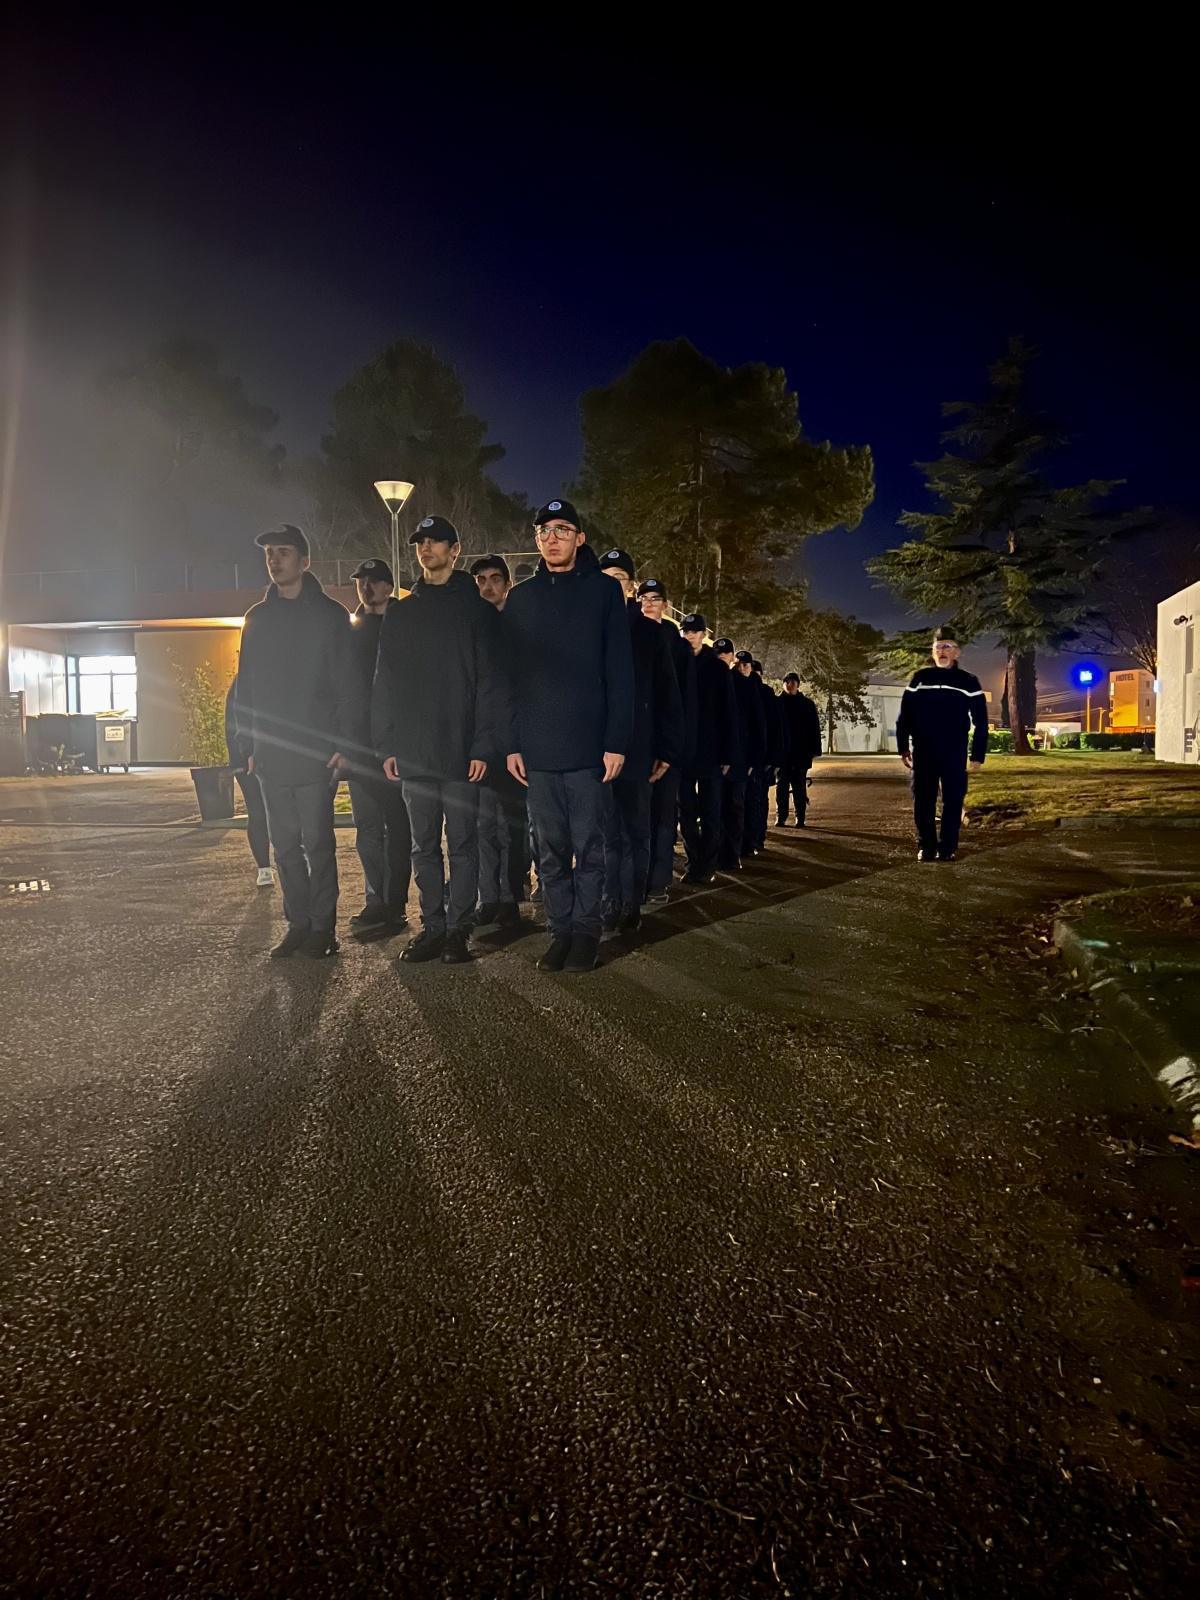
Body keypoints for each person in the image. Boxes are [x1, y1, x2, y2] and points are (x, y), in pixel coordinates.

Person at [503, 498, 634, 973]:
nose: (552, 537)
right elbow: (510, 678)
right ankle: (559, 932)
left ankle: (586, 933)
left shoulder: (603, 593)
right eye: (544, 530)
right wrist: (512, 742)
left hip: (588, 750)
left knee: (591, 848)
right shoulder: (521, 598)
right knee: (550, 852)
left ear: (580, 538)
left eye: (562, 528)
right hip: (537, 750)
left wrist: (617, 740)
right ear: (536, 540)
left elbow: (620, 672)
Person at [372, 516, 506, 964]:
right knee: (422, 846)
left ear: (455, 550)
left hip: (461, 751)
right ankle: (432, 927)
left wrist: (483, 746)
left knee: (464, 845)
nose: (425, 548)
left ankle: (459, 929)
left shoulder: (476, 611)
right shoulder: (403, 610)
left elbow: (490, 683)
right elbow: (385, 680)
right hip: (414, 750)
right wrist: (386, 745)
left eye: (435, 542)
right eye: (420, 542)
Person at [235, 523, 358, 958]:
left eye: (283, 551)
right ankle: (299, 924)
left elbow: (347, 685)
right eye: (269, 552)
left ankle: (323, 929)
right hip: (270, 756)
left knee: (319, 844)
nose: (274, 559)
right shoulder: (257, 619)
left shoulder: (330, 615)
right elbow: (245, 686)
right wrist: (246, 747)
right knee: (284, 846)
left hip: (316, 756)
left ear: (304, 561)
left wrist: (343, 744)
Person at [598, 549, 683, 933]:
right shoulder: (590, 627)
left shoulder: (651, 632)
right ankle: (608, 899)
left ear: (632, 586)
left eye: (621, 578)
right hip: (595, 749)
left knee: (635, 829)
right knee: (604, 832)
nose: (614, 584)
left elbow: (668, 693)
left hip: (638, 747)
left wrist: (666, 748)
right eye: (607, 577)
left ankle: (631, 901)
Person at [345, 557, 412, 938]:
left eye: (373, 581)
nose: (365, 587)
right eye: (361, 581)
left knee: (398, 827)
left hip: (394, 748)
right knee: (367, 827)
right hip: (358, 747)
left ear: (388, 586)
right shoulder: (352, 630)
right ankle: (375, 899)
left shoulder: (403, 626)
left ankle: (395, 904)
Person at [469, 554, 529, 929]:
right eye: (481, 580)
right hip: (477, 742)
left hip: (513, 743)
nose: (488, 586)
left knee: (511, 827)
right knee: (481, 825)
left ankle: (510, 896)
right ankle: (487, 896)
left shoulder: (519, 627)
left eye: (495, 578)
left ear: (507, 583)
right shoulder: (470, 626)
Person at [896, 627, 988, 862]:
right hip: (924, 750)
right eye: (938, 647)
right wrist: (903, 747)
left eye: (947, 646)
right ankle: (926, 846)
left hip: (953, 751)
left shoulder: (968, 681)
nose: (942, 651)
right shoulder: (920, 678)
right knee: (923, 800)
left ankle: (947, 848)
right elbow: (905, 714)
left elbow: (981, 721)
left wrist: (977, 754)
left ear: (957, 652)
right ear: (932, 652)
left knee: (953, 800)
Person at [637, 577, 696, 904]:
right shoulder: (628, 635)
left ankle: (657, 881)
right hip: (636, 745)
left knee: (662, 816)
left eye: (655, 598)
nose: (648, 603)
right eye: (643, 597)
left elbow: (683, 702)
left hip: (667, 747)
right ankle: (636, 880)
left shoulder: (677, 646)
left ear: (665, 604)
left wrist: (674, 749)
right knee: (636, 816)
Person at [677, 615, 741, 884]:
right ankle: (695, 862)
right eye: (686, 630)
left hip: (711, 750)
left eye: (695, 631)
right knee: (686, 813)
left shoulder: (717, 669)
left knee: (711, 810)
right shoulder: (676, 663)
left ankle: (708, 865)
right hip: (682, 750)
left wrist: (729, 754)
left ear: (704, 634)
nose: (690, 635)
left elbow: (729, 713)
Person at [714, 640, 765, 870]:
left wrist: (754, 760)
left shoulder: (747, 686)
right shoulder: (716, 681)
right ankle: (718, 853)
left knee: (735, 807)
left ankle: (732, 854)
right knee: (715, 807)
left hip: (740, 759)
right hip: (715, 757)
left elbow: (757, 725)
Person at [224, 674, 274, 887]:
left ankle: (267, 869)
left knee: (262, 812)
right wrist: (245, 756)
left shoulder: (246, 681)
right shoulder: (244, 683)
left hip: (262, 756)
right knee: (258, 811)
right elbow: (235, 724)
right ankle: (264, 868)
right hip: (247, 759)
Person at [775, 671, 822, 826]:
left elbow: (814, 728)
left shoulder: (807, 704)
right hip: (782, 754)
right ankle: (781, 816)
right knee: (781, 787)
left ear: (797, 684)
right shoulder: (777, 703)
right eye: (787, 682)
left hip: (801, 753)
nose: (790, 685)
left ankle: (800, 817)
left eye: (793, 682)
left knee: (799, 787)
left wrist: (814, 750)